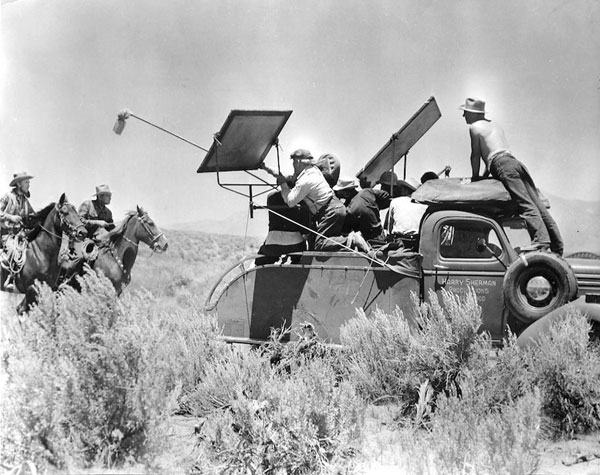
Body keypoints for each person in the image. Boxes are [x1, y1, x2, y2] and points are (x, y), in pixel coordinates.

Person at [460, 97, 563, 255]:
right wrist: (484, 175)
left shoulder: (474, 127)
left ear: (473, 114)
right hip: (515, 163)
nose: (464, 116)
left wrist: (475, 178)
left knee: (525, 204)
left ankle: (540, 240)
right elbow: (495, 154)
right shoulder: (495, 125)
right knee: (537, 204)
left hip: (503, 166)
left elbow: (476, 155)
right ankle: (557, 244)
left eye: (465, 113)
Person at [262, 149, 349, 252]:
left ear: (298, 162)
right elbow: (287, 176)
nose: (293, 165)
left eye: (294, 162)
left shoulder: (305, 180)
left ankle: (350, 240)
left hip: (330, 210)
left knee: (320, 244)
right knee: (324, 243)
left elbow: (290, 201)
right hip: (334, 207)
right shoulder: (312, 171)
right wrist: (266, 168)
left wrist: (283, 185)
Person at [255, 187, 310, 266]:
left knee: (259, 262)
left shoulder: (271, 197)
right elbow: (305, 228)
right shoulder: (302, 199)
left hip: (273, 242)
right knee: (298, 260)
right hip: (295, 243)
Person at [0, 172, 35, 290]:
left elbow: (32, 216)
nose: (29, 185)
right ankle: (9, 278)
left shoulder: (25, 201)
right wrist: (11, 217)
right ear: (19, 184)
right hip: (7, 234)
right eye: (26, 182)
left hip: (21, 235)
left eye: (28, 182)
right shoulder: (8, 197)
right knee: (12, 250)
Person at [334, 176, 391, 242]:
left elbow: (345, 231)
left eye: (340, 192)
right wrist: (374, 207)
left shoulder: (350, 209)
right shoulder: (368, 192)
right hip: (381, 236)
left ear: (346, 192)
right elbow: (386, 197)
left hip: (367, 241)